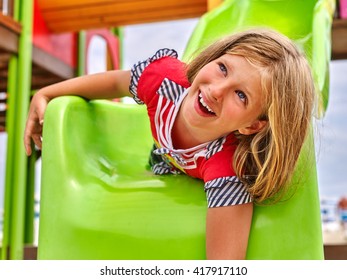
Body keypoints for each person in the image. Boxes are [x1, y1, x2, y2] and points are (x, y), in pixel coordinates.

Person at [24, 28, 315, 259]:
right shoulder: (165, 81)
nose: (216, 91)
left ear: (251, 125)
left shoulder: (227, 169)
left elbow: (223, 266)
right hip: (162, 154)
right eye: (224, 68)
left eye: (241, 96)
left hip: (194, 166)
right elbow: (114, 84)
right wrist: (47, 94)